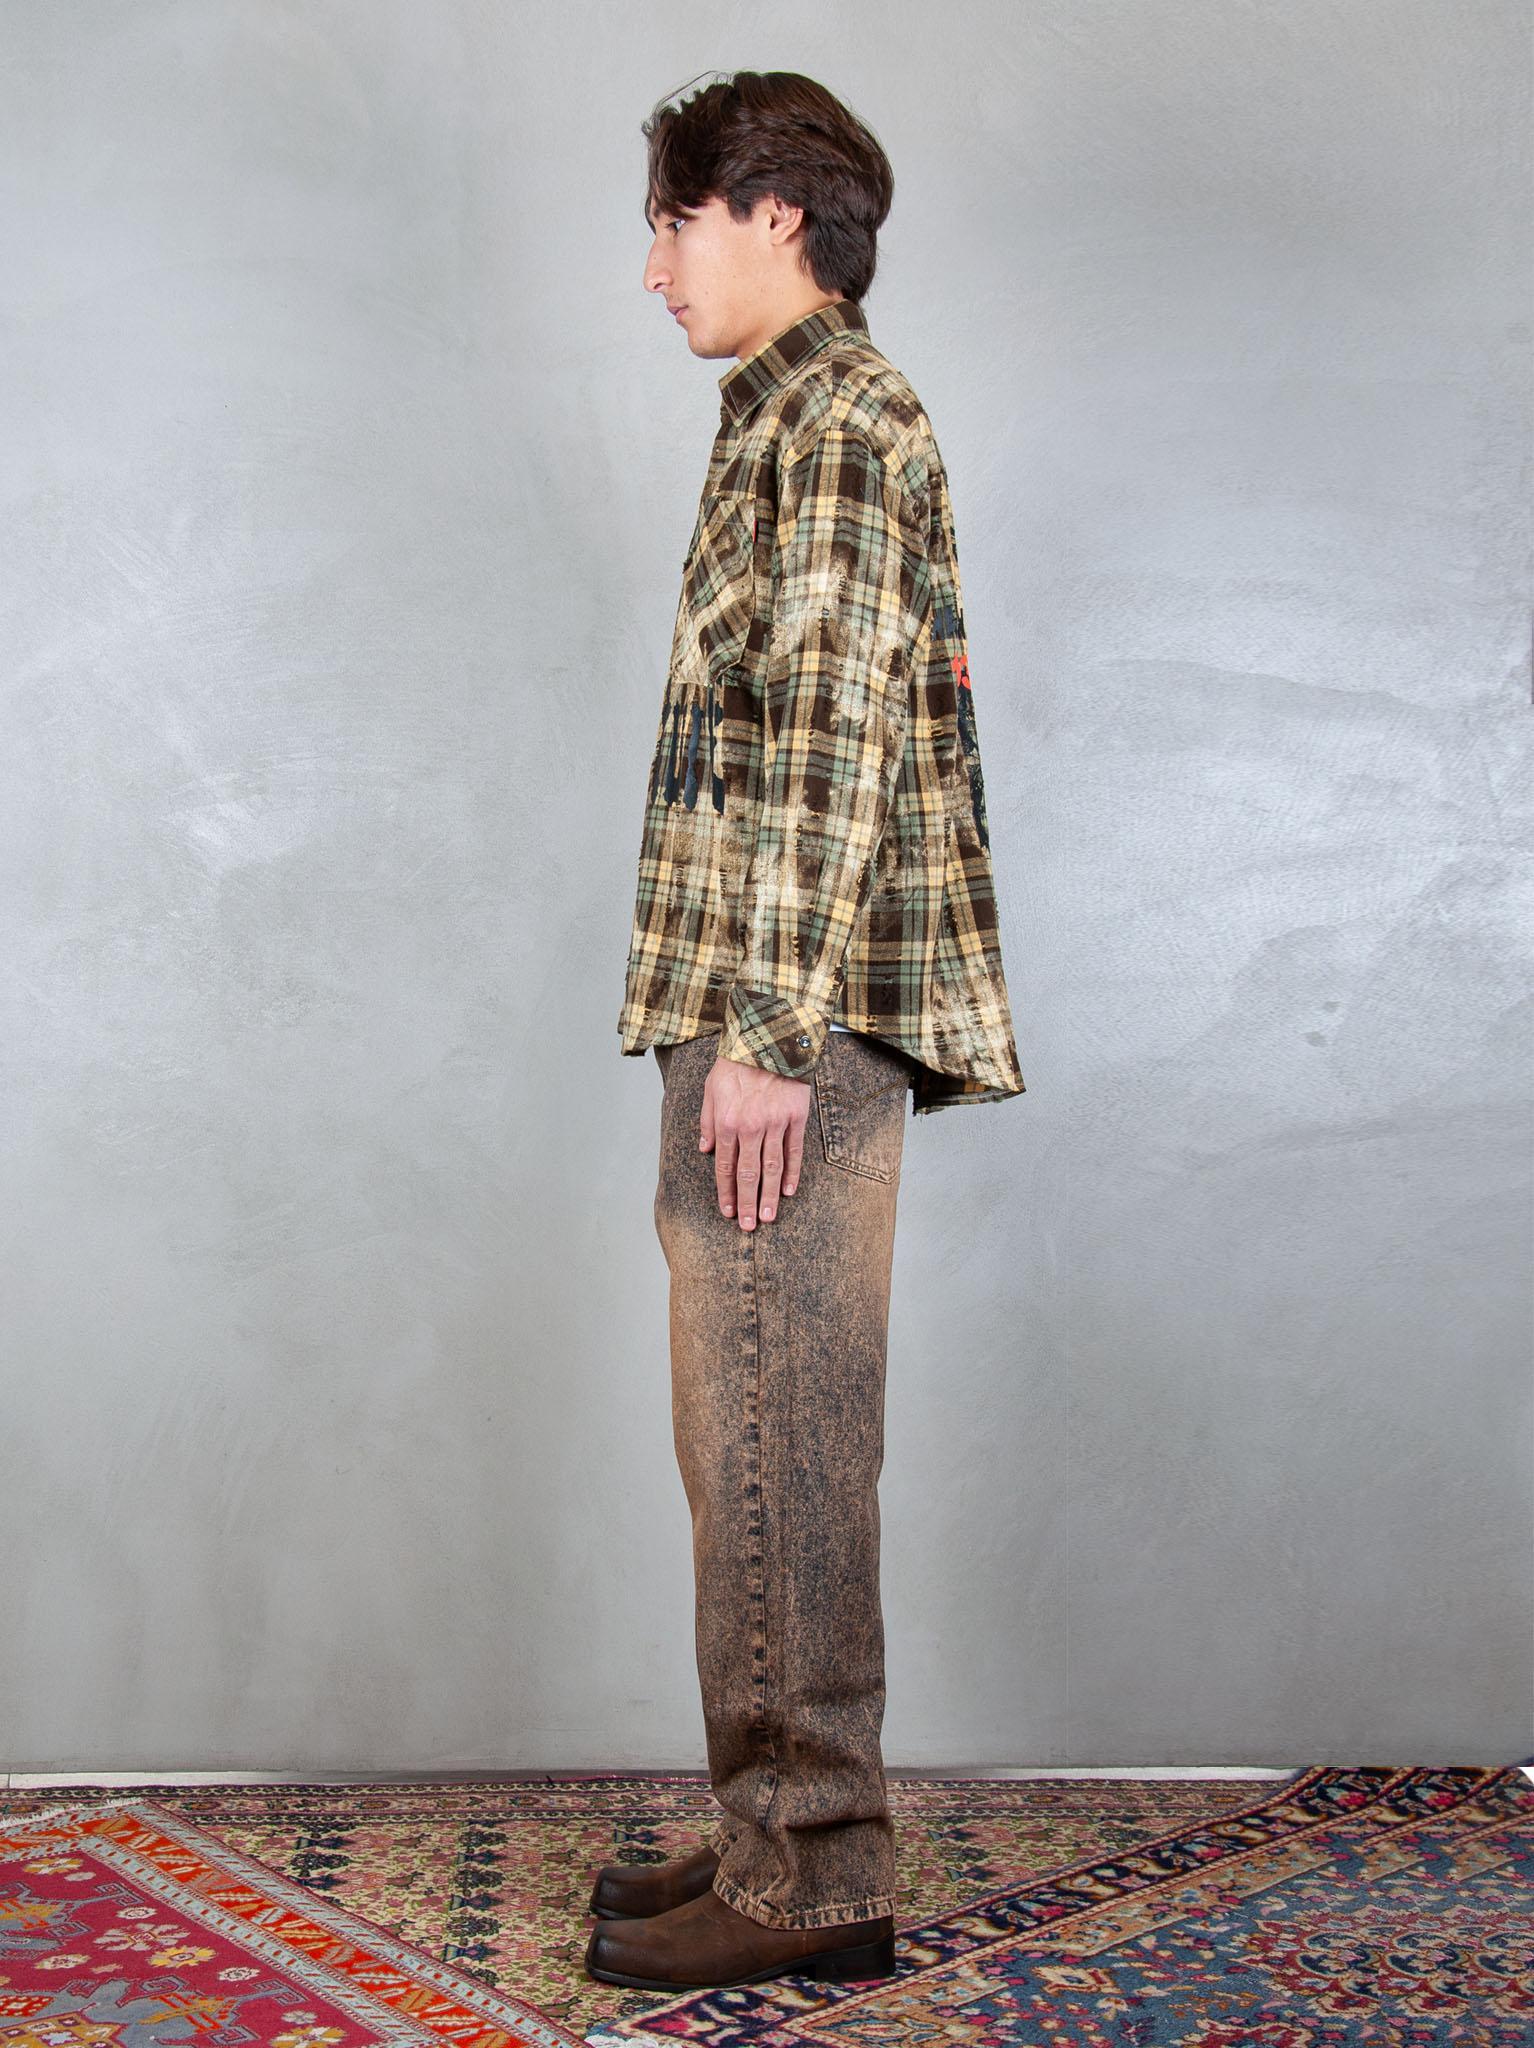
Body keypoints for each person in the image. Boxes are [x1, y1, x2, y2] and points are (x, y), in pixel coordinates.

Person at [586, 68, 1026, 1995]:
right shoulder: (785, 417)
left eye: (673, 222)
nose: (652, 268)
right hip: (763, 995)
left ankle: (813, 1874)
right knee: (751, 1430)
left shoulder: (837, 419)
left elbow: (835, 741)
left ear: (774, 211)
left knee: (774, 1433)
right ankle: (781, 1822)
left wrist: (767, 1031)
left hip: (789, 1012)